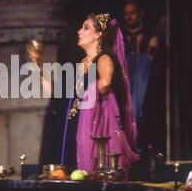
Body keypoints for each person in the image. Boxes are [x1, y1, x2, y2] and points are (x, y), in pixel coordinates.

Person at [34, 13, 140, 173]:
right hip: (73, 126)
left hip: (92, 126)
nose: (79, 31)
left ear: (99, 35)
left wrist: (87, 89)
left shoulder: (104, 58)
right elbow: (56, 95)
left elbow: (105, 84)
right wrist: (38, 66)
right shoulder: (80, 64)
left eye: (86, 28)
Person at [123, 1, 166, 159]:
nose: (129, 17)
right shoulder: (121, 38)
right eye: (126, 13)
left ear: (140, 13)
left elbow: (153, 63)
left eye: (132, 13)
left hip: (146, 90)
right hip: (127, 87)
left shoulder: (151, 36)